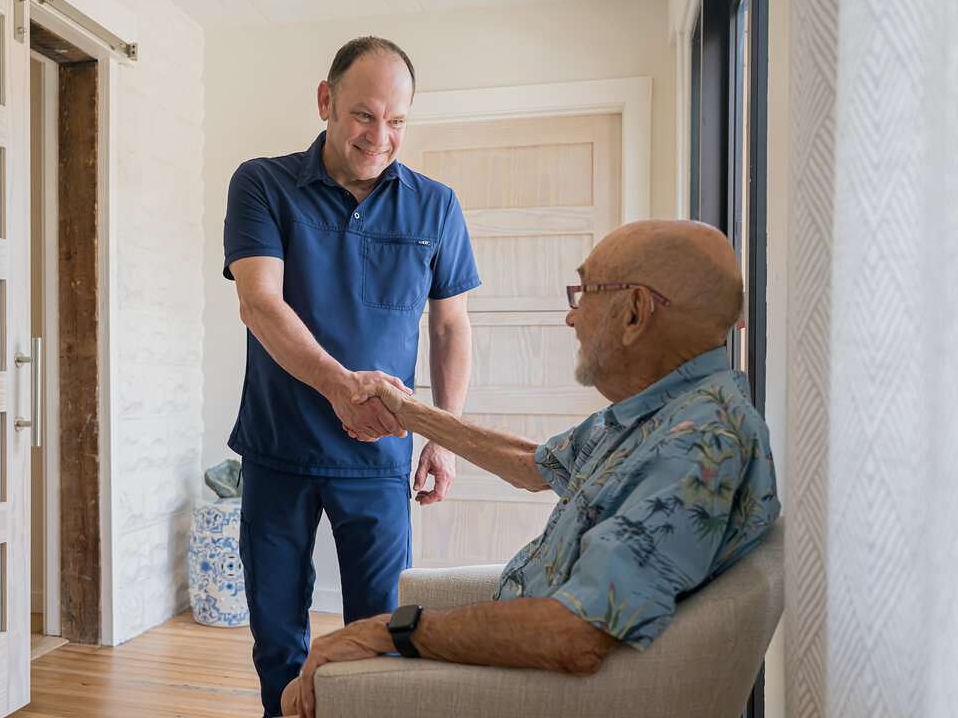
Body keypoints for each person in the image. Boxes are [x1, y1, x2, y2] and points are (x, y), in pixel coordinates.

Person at [280, 220, 781, 718]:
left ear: (634, 312)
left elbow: (572, 636)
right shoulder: (657, 411)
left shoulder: (697, 447)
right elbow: (530, 464)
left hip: (537, 678)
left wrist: (388, 630)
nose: (571, 317)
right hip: (522, 640)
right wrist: (408, 412)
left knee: (304, 691)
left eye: (583, 292)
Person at [223, 36, 481, 716]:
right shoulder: (263, 183)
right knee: (277, 631)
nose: (380, 135)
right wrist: (341, 387)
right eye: (365, 115)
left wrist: (443, 438)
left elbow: (451, 327)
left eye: (396, 121)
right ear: (325, 102)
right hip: (279, 447)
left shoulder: (436, 207)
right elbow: (260, 303)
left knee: (379, 634)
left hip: (377, 456)